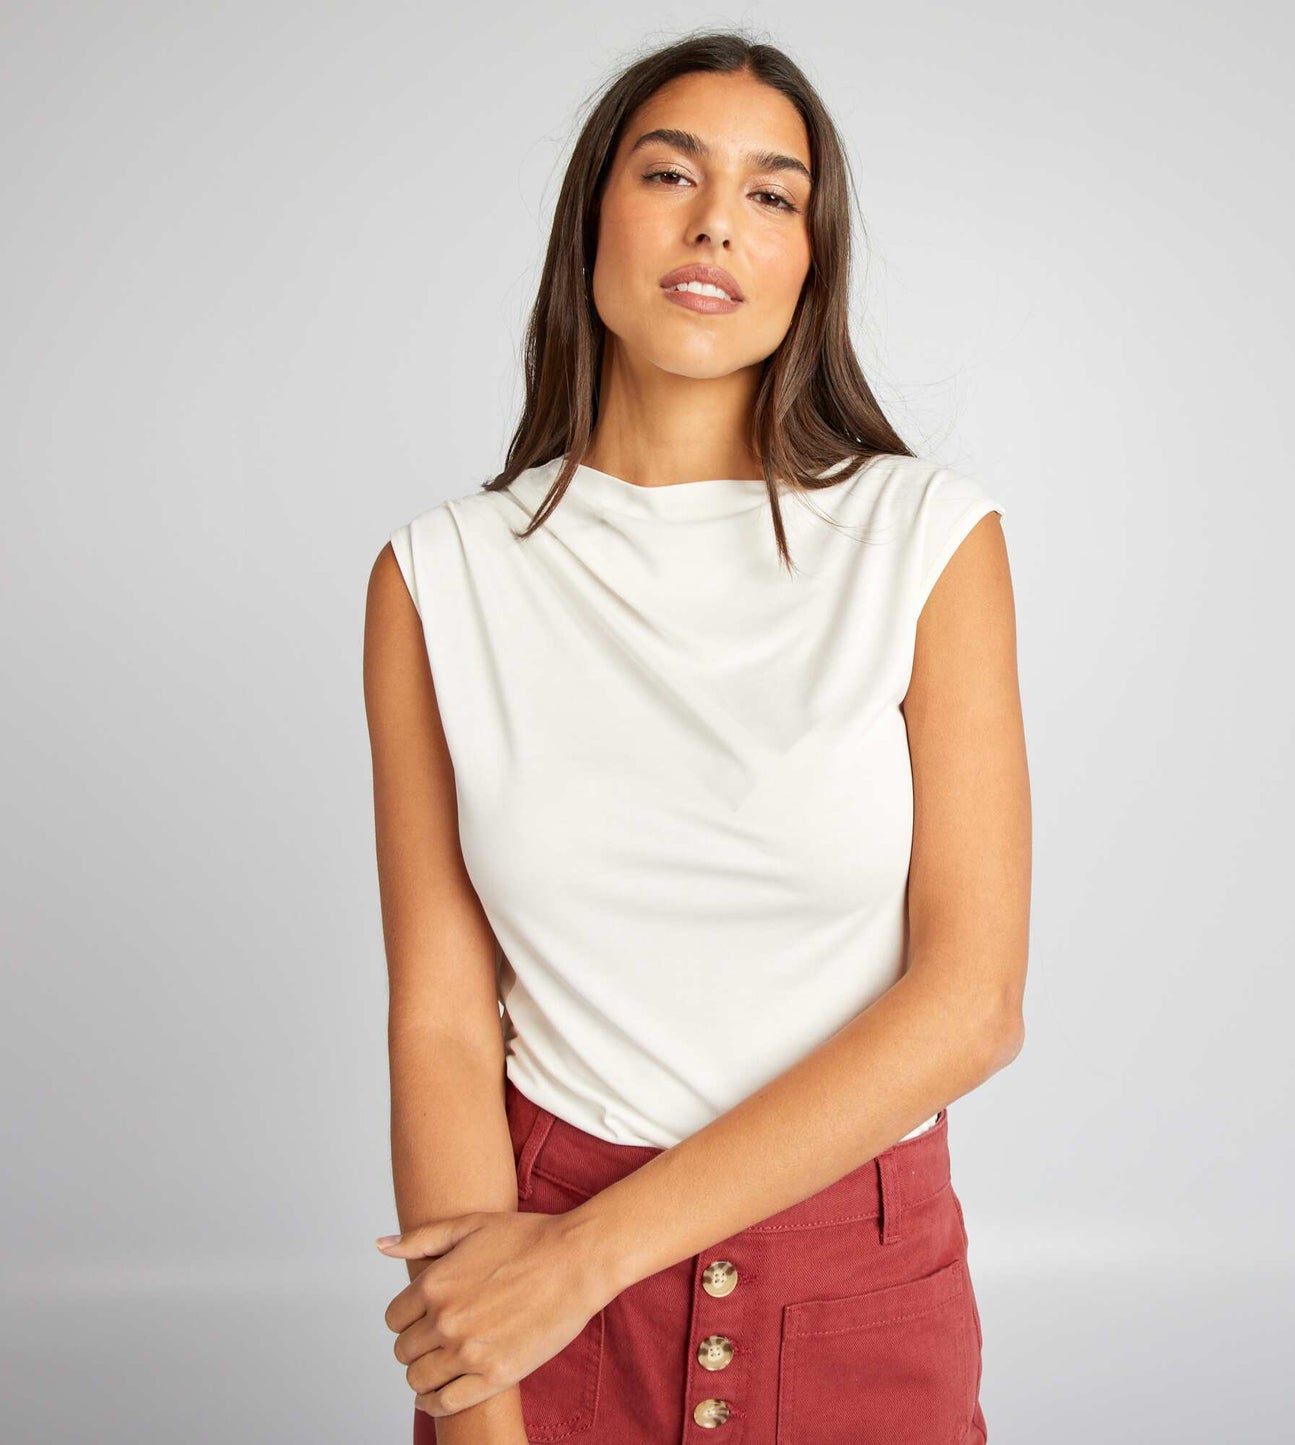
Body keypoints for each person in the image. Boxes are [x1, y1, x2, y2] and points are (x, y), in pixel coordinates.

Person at [362, 30, 1030, 1445]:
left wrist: (584, 1259)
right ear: (592, 218)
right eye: (670, 173)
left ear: (809, 264)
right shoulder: (440, 577)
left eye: (772, 194)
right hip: (524, 1296)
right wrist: (480, 1403)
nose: (717, 220)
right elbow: (440, 1019)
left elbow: (970, 1003)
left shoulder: (925, 540)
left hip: (850, 1297)